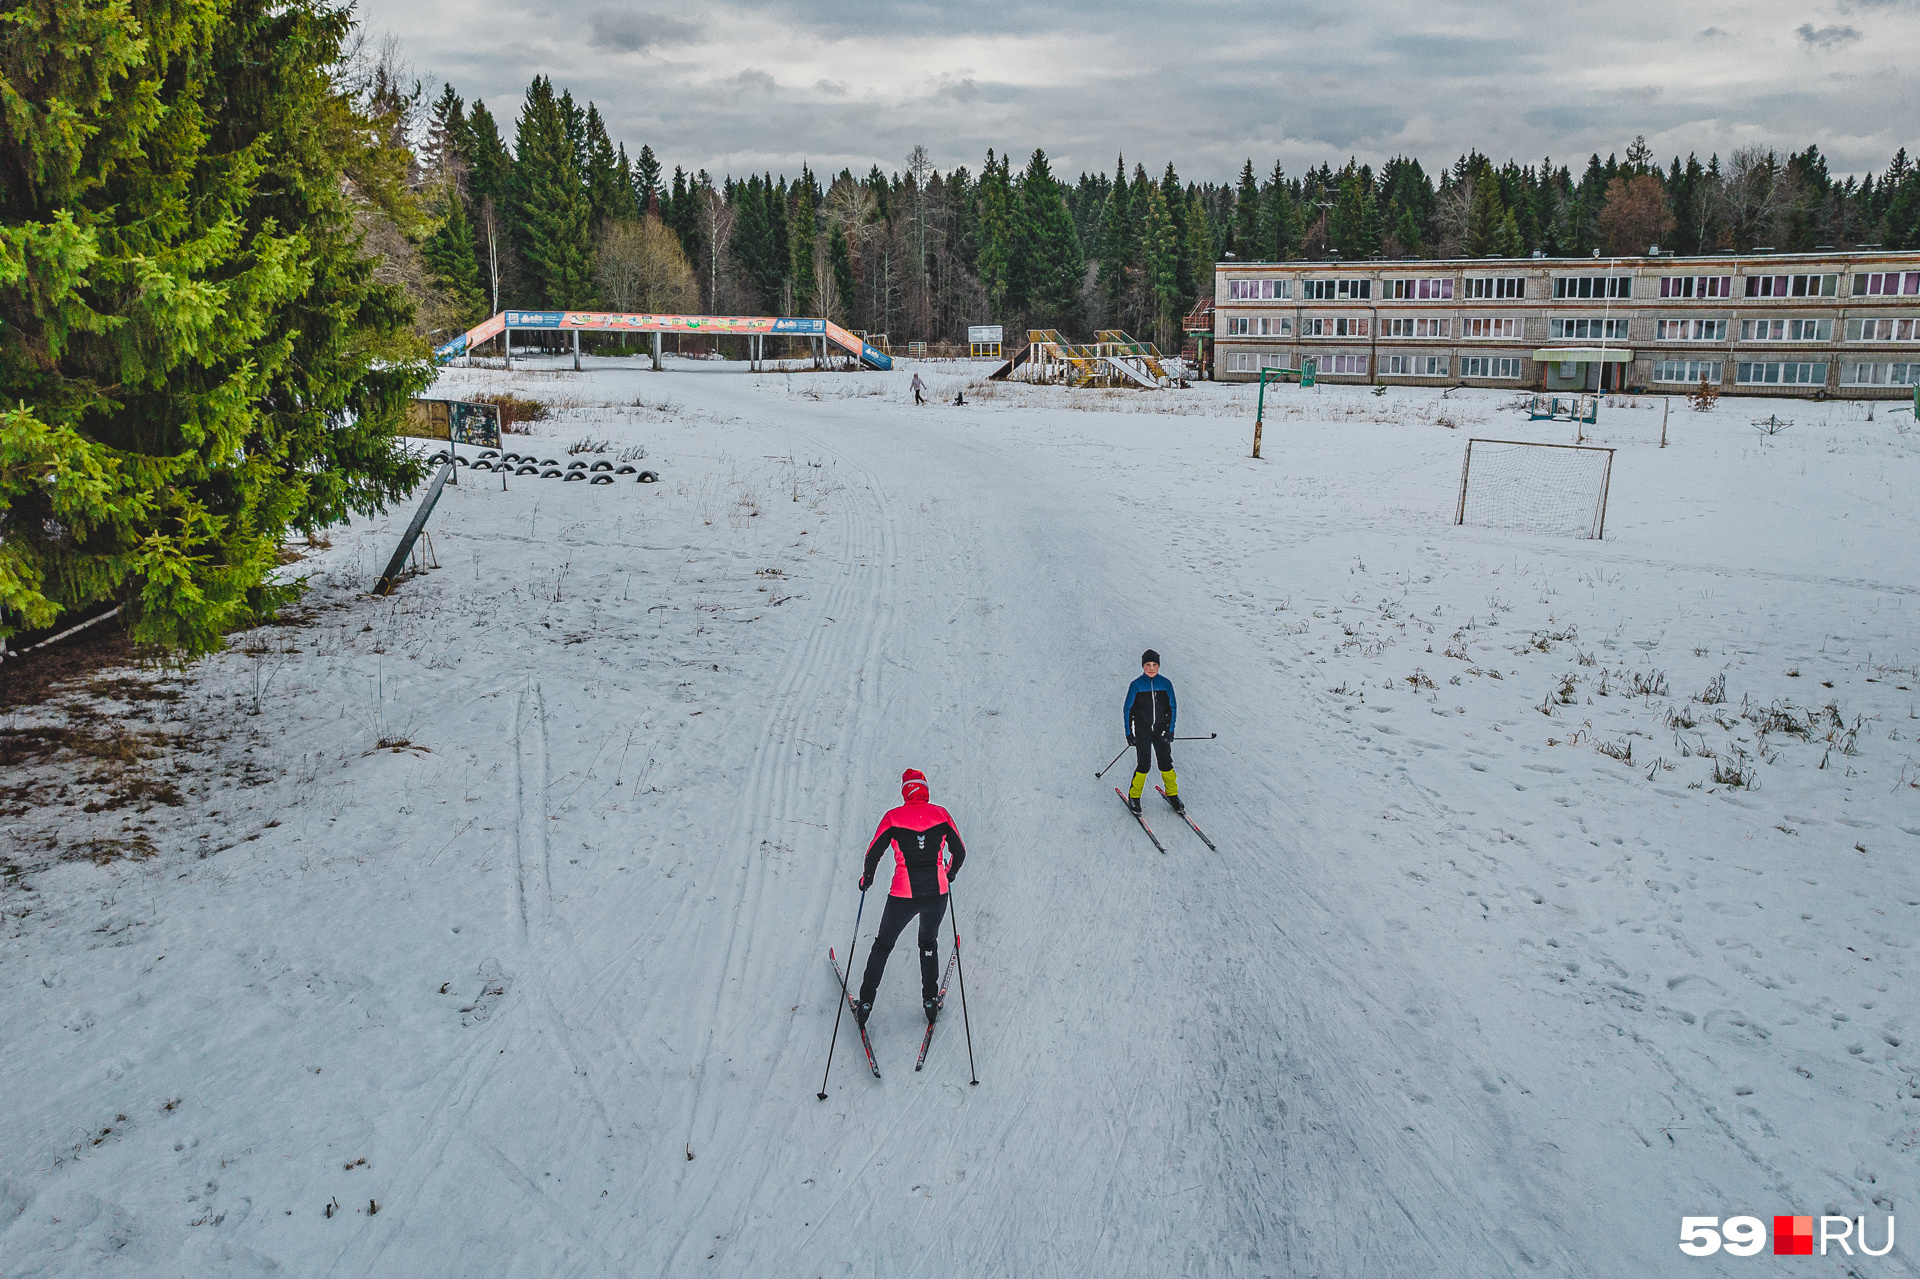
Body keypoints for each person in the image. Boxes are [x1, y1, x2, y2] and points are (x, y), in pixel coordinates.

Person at [856, 768, 966, 1026]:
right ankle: (930, 1001)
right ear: (925, 789)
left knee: (883, 946)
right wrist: (948, 874)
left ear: (906, 791)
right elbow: (959, 852)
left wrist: (867, 880)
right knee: (928, 943)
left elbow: (872, 854)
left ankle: (866, 1003)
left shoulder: (892, 818)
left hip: (902, 896)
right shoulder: (942, 814)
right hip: (937, 894)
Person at [1122, 649, 1180, 814]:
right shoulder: (1136, 685)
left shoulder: (1166, 684)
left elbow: (1172, 708)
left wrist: (1170, 730)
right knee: (1144, 764)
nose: (1151, 668)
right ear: (1143, 666)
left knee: (1165, 763)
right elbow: (1127, 710)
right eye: (1148, 664)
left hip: (1161, 731)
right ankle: (1134, 796)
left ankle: (1173, 793)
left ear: (1159, 666)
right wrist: (1129, 733)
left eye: (1154, 664)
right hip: (1143, 732)